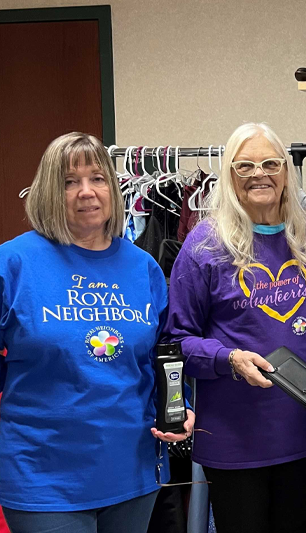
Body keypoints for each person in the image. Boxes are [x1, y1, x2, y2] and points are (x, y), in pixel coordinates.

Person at [0, 132, 193, 533]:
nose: (86, 192)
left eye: (98, 178)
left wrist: (181, 406)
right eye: (69, 182)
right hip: (44, 477)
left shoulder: (143, 267)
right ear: (49, 191)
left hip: (133, 472)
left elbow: (161, 357)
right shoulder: (14, 263)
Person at [163, 123, 306, 533]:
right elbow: (176, 340)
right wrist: (228, 359)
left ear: (286, 173)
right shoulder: (204, 245)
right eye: (245, 166)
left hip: (302, 427)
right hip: (234, 436)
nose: (260, 173)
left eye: (270, 163)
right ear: (230, 177)